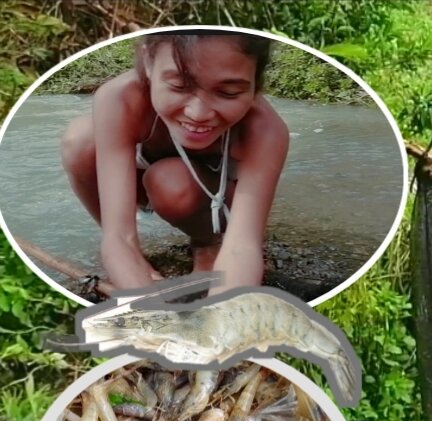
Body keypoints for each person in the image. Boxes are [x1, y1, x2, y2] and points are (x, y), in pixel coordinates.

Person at [60, 30, 289, 293]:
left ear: (256, 84)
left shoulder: (266, 129)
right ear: (148, 63)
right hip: (145, 182)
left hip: (212, 198)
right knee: (79, 140)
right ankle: (136, 258)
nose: (198, 113)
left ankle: (209, 244)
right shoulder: (119, 98)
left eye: (228, 93)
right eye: (180, 86)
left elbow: (243, 245)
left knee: (171, 182)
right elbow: (118, 238)